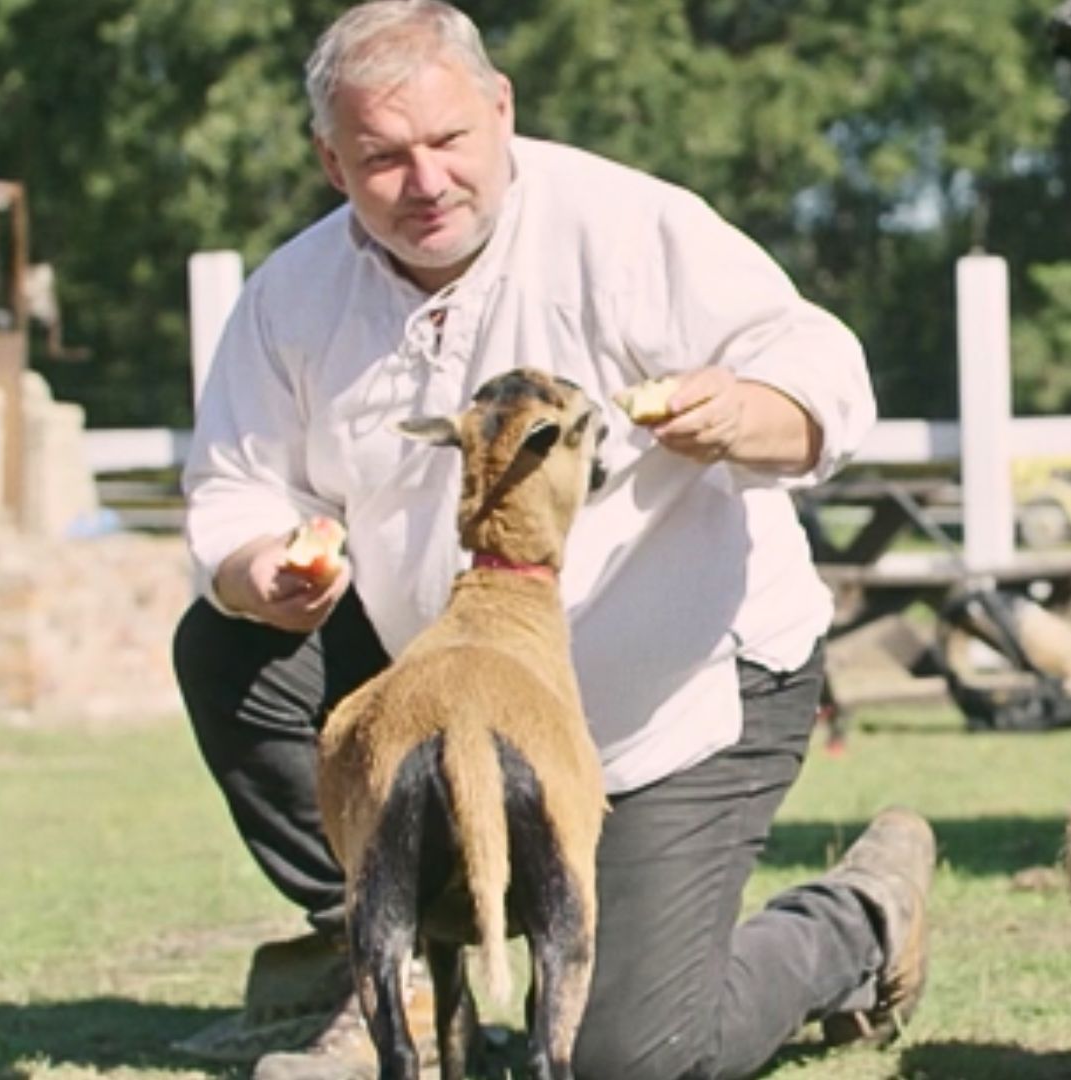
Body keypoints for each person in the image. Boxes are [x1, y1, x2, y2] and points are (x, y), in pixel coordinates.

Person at [174, 3, 936, 1078]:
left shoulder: (629, 227)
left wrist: (746, 410)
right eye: (383, 158)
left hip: (676, 704)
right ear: (332, 164)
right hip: (450, 700)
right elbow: (234, 488)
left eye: (448, 140)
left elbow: (820, 365)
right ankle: (390, 962)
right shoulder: (289, 297)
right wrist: (260, 566)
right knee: (231, 645)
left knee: (623, 1061)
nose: (426, 181)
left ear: (502, 109)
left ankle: (858, 922)